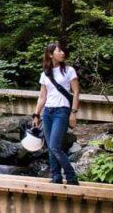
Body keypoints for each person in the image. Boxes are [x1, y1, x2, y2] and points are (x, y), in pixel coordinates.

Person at [32, 41, 81, 185]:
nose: (62, 53)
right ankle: (56, 177)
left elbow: (76, 92)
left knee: (55, 146)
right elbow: (42, 97)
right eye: (59, 51)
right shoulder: (45, 74)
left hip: (62, 111)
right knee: (50, 146)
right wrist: (36, 114)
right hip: (47, 112)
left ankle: (71, 177)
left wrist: (73, 113)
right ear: (50, 54)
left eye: (63, 51)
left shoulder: (69, 70)